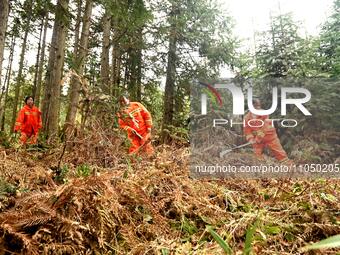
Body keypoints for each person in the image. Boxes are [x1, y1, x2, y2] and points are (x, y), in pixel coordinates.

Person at [244, 99, 291, 164]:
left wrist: (257, 138)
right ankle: (262, 171)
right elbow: (247, 131)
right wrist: (251, 139)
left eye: (259, 105)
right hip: (257, 141)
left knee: (281, 154)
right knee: (257, 157)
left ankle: (290, 169)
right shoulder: (246, 118)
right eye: (256, 106)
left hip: (270, 137)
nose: (258, 108)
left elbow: (265, 127)